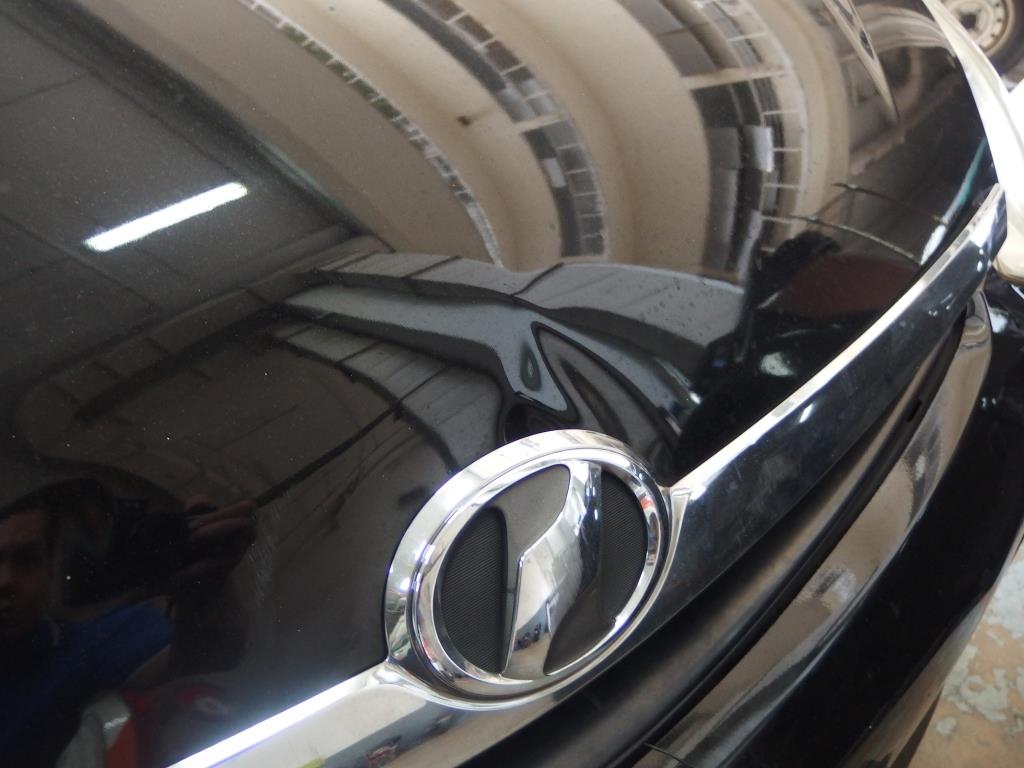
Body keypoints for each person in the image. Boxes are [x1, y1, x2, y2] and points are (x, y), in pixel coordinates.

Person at [0, 484, 255, 768]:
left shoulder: (84, 648)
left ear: (51, 569)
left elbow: (210, 653)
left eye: (27, 560)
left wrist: (206, 584)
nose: (5, 581)